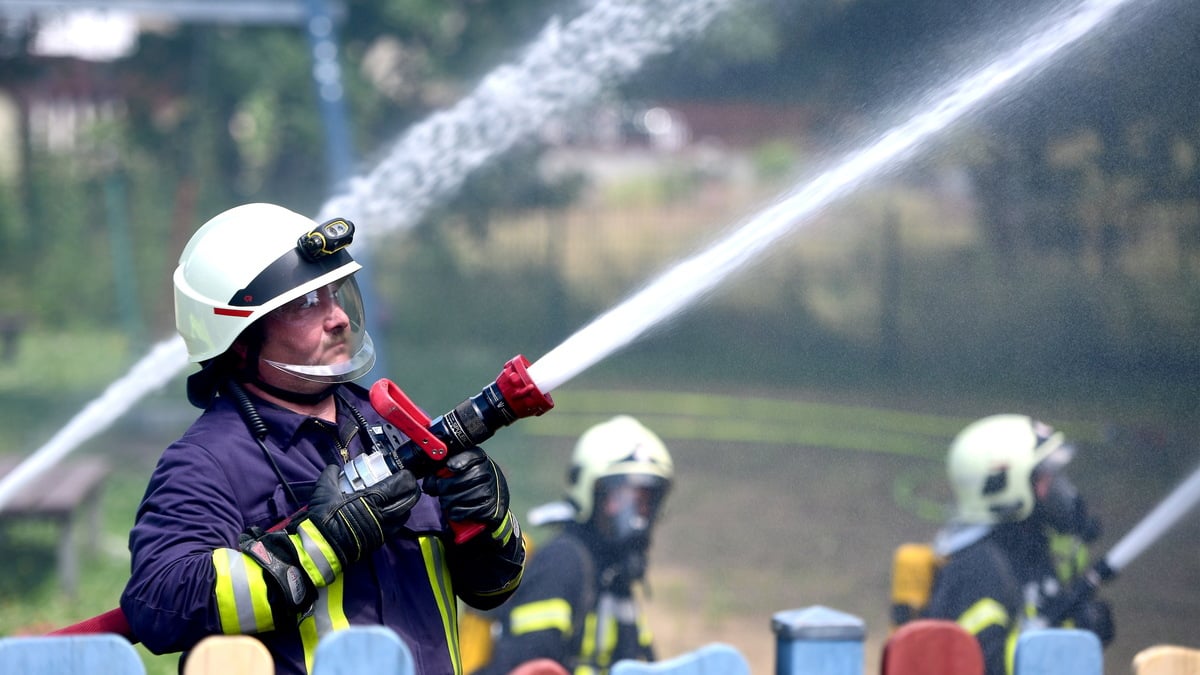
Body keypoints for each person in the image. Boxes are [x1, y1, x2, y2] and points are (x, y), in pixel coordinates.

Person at [120, 203, 526, 675]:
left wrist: (487, 522)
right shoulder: (207, 463)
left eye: (337, 294)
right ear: (240, 335)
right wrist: (319, 545)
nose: (338, 319)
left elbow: (492, 588)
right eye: (307, 304)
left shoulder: (390, 423)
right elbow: (159, 604)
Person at [470, 415, 673, 675]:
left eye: (645, 501)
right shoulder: (564, 564)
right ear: (588, 492)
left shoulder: (615, 578)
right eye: (620, 497)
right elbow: (527, 668)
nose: (636, 516)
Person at [923, 414, 1114, 675]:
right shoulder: (977, 572)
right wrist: (1066, 644)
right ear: (1007, 486)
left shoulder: (1028, 549)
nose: (1062, 489)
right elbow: (990, 667)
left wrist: (1078, 627)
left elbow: (1034, 623)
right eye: (1046, 478)